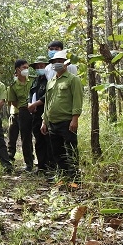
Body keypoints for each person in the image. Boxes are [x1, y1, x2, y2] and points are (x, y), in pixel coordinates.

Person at [40, 50, 84, 181]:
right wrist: (44, 121)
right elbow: (48, 102)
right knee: (56, 151)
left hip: (67, 121)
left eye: (60, 61)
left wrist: (75, 119)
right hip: (52, 122)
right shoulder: (51, 81)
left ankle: (74, 176)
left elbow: (77, 100)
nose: (57, 64)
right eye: (54, 62)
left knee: (70, 149)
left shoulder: (73, 79)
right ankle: (62, 175)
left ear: (66, 63)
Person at [27, 56, 53, 173]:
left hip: (46, 113)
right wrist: (30, 105)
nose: (39, 68)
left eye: (41, 66)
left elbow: (48, 95)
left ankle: (51, 167)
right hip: (35, 115)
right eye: (37, 67)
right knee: (38, 140)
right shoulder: (36, 80)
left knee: (48, 140)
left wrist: (36, 104)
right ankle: (41, 166)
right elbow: (31, 94)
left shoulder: (50, 79)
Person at [7, 59, 34, 171]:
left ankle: (40, 161)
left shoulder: (33, 81)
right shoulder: (13, 86)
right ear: (17, 70)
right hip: (22, 112)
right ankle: (28, 163)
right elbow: (13, 102)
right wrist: (24, 109)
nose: (26, 70)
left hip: (36, 110)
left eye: (27, 67)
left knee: (36, 136)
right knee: (25, 138)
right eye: (24, 67)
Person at [7, 73, 20, 162]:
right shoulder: (10, 87)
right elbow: (9, 102)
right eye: (14, 74)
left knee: (26, 137)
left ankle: (30, 156)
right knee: (12, 137)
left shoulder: (27, 85)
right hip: (13, 115)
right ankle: (10, 155)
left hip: (24, 114)